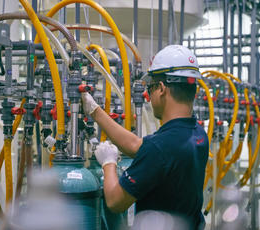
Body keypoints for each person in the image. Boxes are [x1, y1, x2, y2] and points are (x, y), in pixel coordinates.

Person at [81, 45, 209, 229]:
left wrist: (108, 163)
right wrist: (95, 111)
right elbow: (138, 146)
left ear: (162, 89)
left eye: (150, 88)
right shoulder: (197, 134)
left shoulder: (160, 148)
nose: (148, 96)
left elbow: (115, 202)